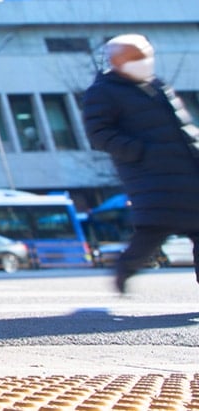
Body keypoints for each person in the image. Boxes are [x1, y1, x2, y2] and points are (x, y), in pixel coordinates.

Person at [82, 34, 199, 294]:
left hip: (189, 171)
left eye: (146, 55)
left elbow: (184, 127)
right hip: (152, 176)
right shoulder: (103, 92)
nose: (143, 62)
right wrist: (141, 152)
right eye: (135, 57)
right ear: (116, 61)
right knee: (153, 231)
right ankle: (125, 268)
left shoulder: (157, 85)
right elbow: (99, 134)